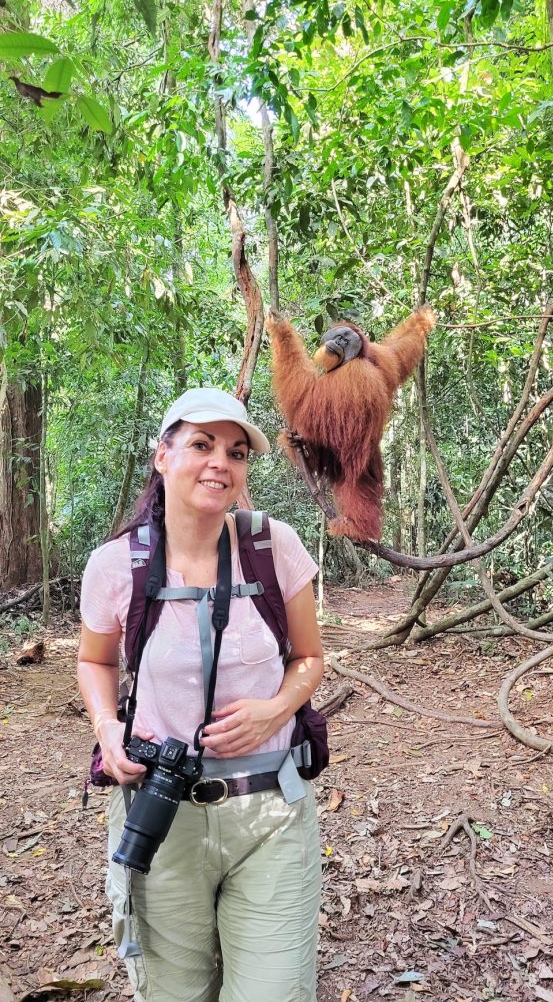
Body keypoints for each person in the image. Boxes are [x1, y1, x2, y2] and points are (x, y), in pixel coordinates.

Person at [77, 388, 324, 1002]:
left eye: (236, 452)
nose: (221, 462)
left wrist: (275, 708)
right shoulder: (116, 565)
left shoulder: (273, 546)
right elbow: (94, 659)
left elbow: (309, 658)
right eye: (201, 445)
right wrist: (109, 729)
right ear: (162, 457)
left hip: (271, 811)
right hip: (161, 817)